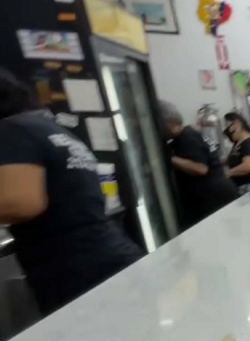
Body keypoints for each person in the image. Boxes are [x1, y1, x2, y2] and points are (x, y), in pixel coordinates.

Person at [0, 69, 143, 313]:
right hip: (108, 257)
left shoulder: (11, 131)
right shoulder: (47, 127)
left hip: (78, 272)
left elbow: (23, 203)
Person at [159, 101, 239, 230]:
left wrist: (171, 159)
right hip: (217, 196)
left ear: (167, 123)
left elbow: (200, 168)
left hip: (214, 200)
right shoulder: (189, 135)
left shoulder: (187, 137)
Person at [223, 112, 250, 187]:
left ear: (237, 124)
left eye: (229, 127)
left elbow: (249, 166)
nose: (229, 131)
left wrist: (228, 173)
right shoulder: (239, 142)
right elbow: (236, 157)